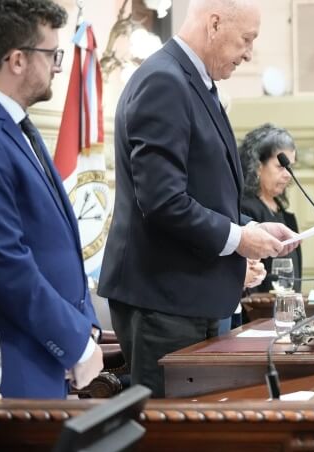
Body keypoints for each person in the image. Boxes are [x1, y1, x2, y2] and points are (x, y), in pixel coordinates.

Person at [98, 0, 298, 397]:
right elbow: (162, 201)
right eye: (246, 39)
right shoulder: (165, 81)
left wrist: (248, 225)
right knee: (172, 441)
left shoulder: (196, 84)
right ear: (214, 23)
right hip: (165, 299)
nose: (249, 53)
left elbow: (202, 193)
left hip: (189, 295)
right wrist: (240, 239)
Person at [0, 0, 103, 398]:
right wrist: (74, 341)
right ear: (17, 60)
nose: (58, 65)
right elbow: (4, 263)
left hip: (43, 356)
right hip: (11, 367)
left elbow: (57, 243)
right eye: (51, 54)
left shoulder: (15, 124)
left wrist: (85, 323)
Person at [240, 123, 302, 293]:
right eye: (281, 166)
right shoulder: (245, 210)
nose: (288, 174)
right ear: (258, 166)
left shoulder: (283, 212)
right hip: (258, 313)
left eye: (290, 167)